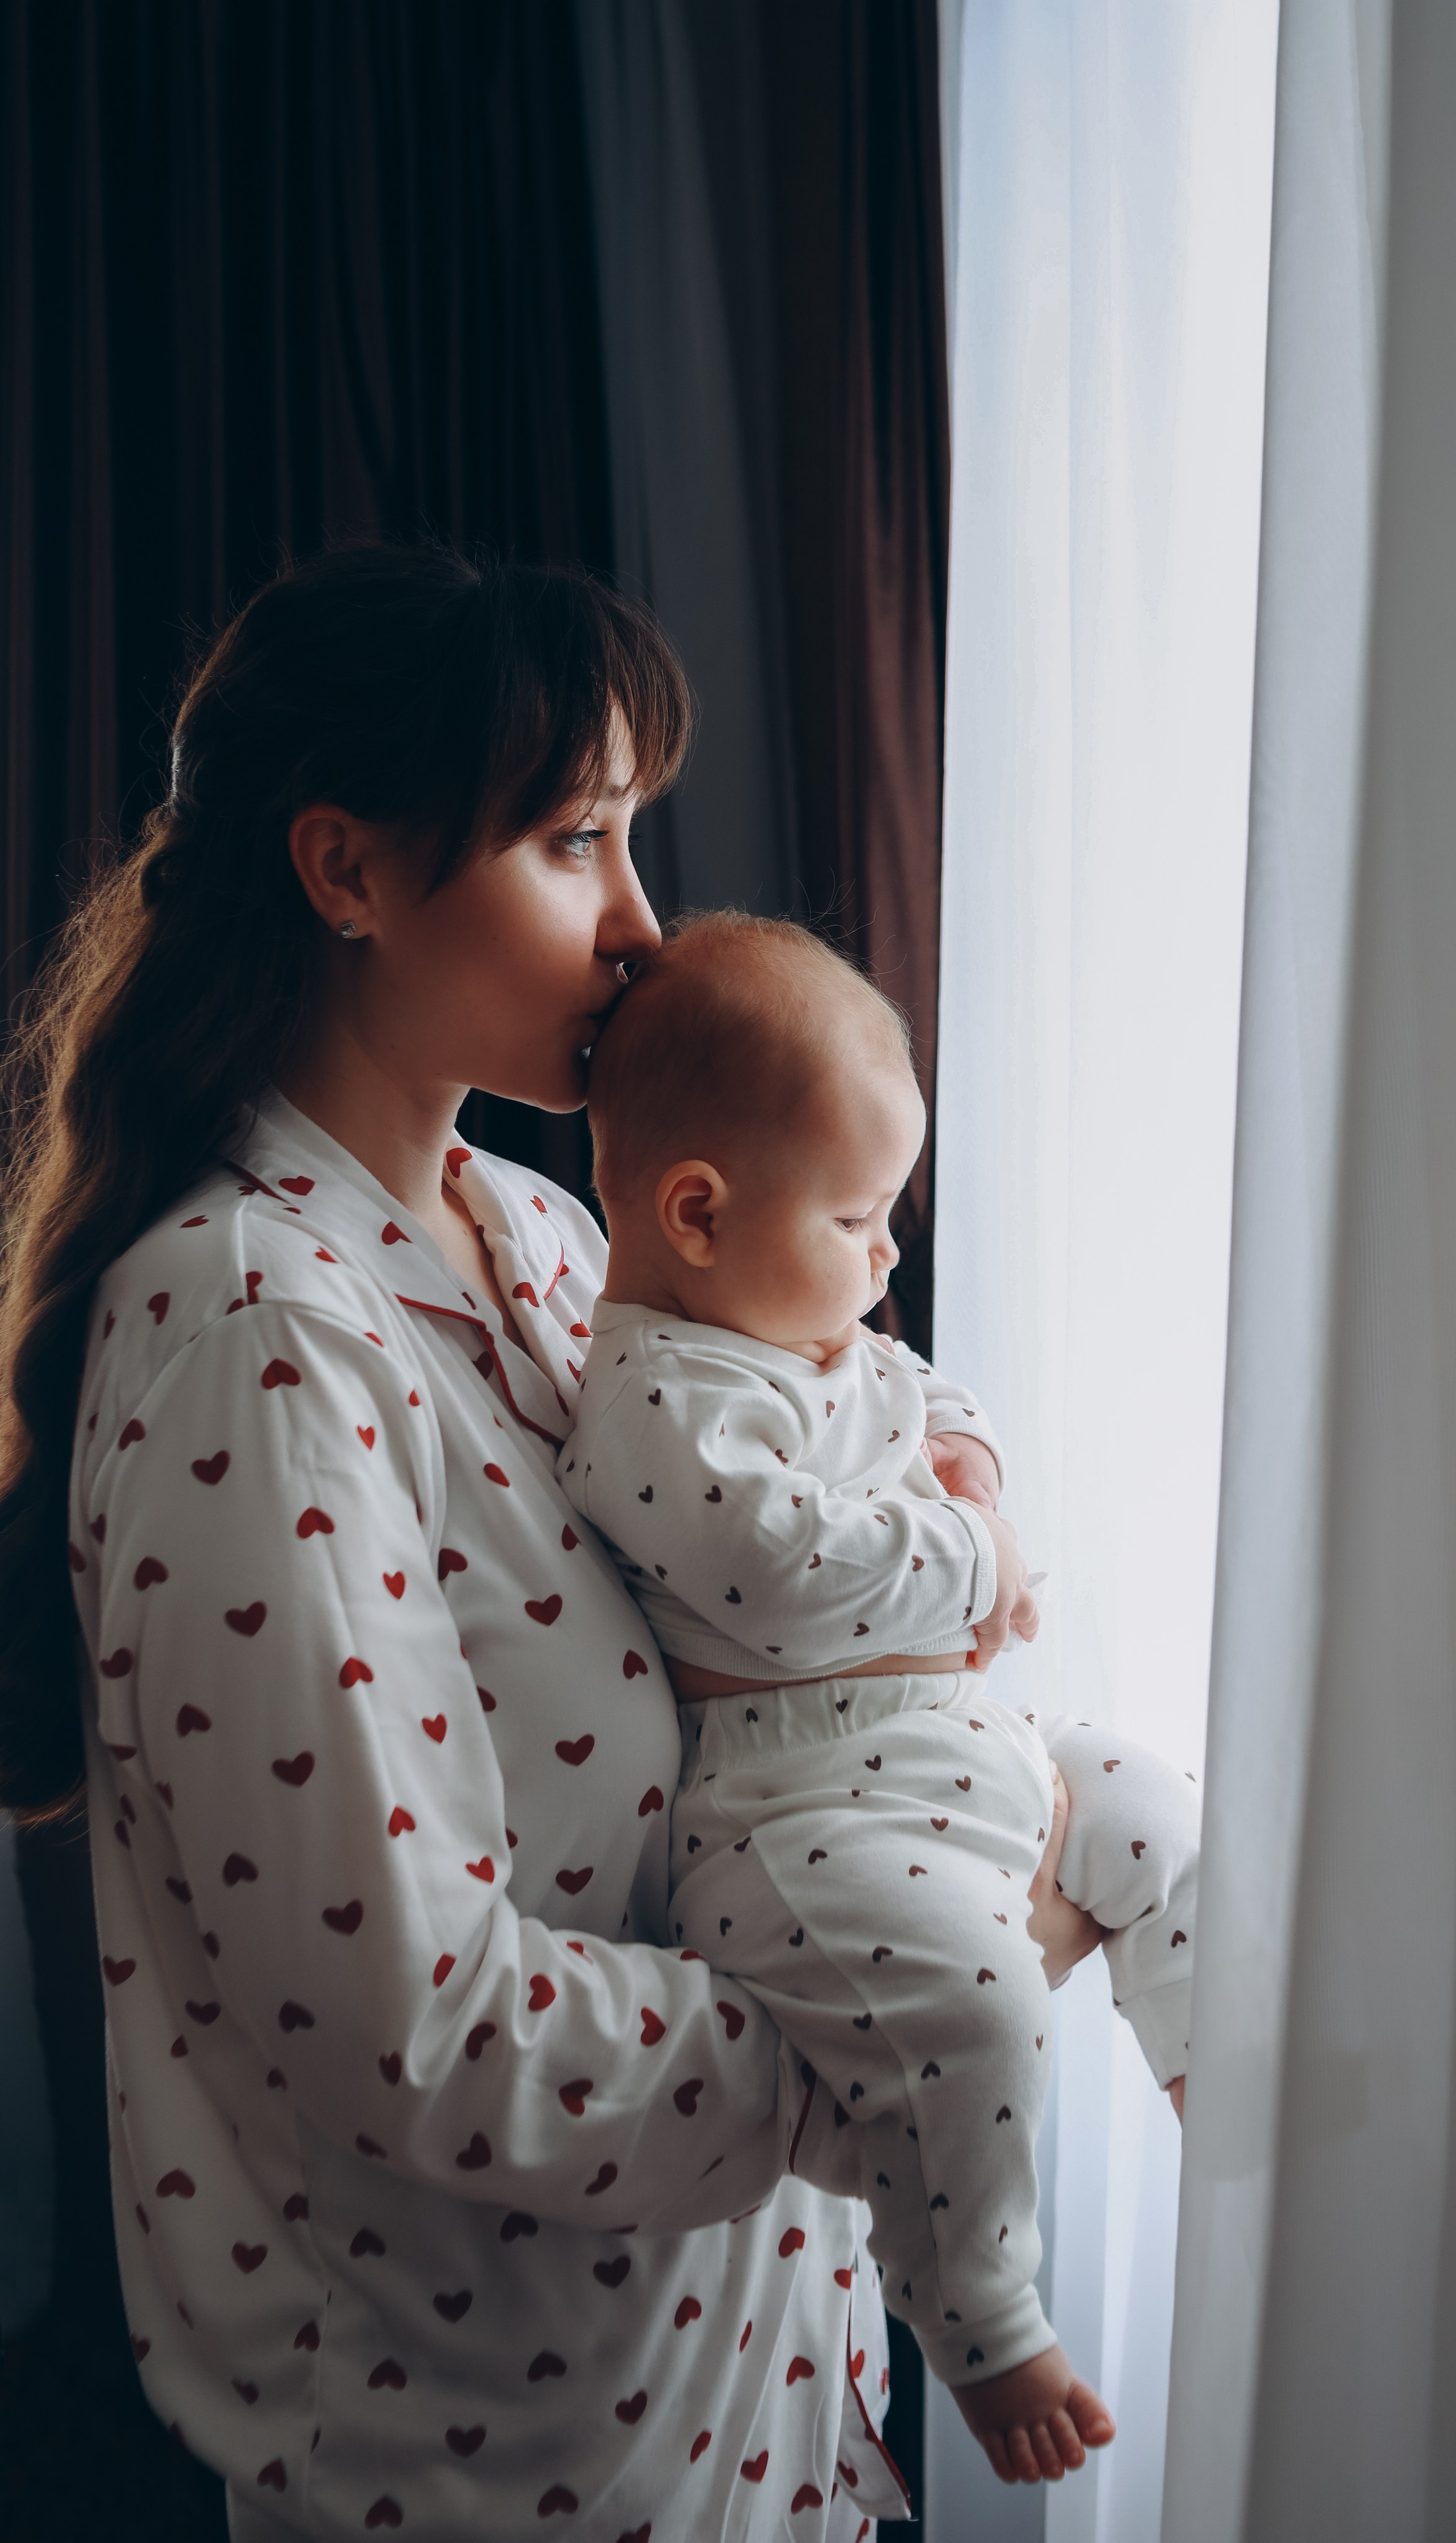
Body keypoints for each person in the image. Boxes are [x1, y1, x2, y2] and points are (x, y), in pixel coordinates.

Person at [0, 542, 1106, 2538]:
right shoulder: (259, 1327)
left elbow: (842, 1466)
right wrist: (901, 2025)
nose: (644, 924)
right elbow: (413, 2020)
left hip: (751, 2394)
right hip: (505, 2470)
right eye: (580, 839)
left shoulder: (548, 1243)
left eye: (637, 837)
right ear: (344, 871)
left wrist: (960, 1508)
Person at [562, 911, 1199, 2486]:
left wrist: (967, 1460)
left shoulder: (821, 1332)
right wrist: (976, 1557)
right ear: (696, 1215)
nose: (887, 1257)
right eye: (858, 1218)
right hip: (805, 1814)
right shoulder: (657, 1399)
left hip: (952, 1755)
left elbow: (934, 1395)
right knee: (974, 2010)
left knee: (1148, 1807)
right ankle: (979, 2318)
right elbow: (783, 1560)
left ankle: (1218, 2077)